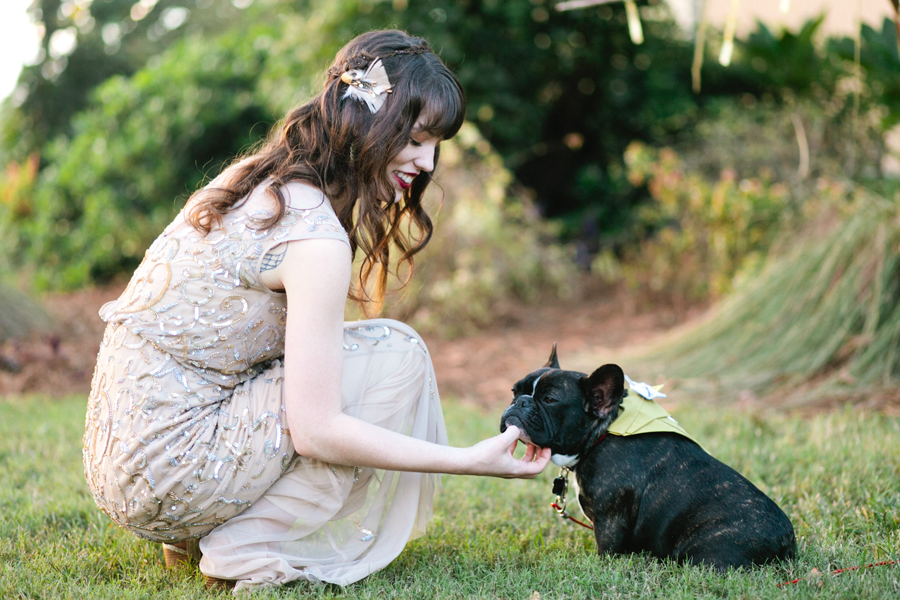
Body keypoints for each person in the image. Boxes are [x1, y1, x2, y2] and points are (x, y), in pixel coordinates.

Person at [82, 29, 550, 592]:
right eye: (418, 138)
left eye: (435, 145)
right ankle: (242, 545)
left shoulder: (254, 178)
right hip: (173, 468)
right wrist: (468, 459)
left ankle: (188, 535)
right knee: (396, 355)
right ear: (373, 124)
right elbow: (317, 430)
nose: (427, 163)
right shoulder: (314, 236)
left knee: (358, 353)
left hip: (121, 464)